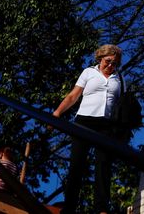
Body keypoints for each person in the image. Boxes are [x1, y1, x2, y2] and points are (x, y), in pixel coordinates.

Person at [53, 44, 124, 214]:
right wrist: (56, 113)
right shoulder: (88, 72)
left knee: (104, 166)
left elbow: (121, 105)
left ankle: (101, 209)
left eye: (114, 63)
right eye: (108, 61)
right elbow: (73, 96)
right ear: (100, 58)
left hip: (106, 125)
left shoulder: (120, 78)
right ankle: (69, 207)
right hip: (84, 121)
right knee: (77, 165)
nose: (110, 66)